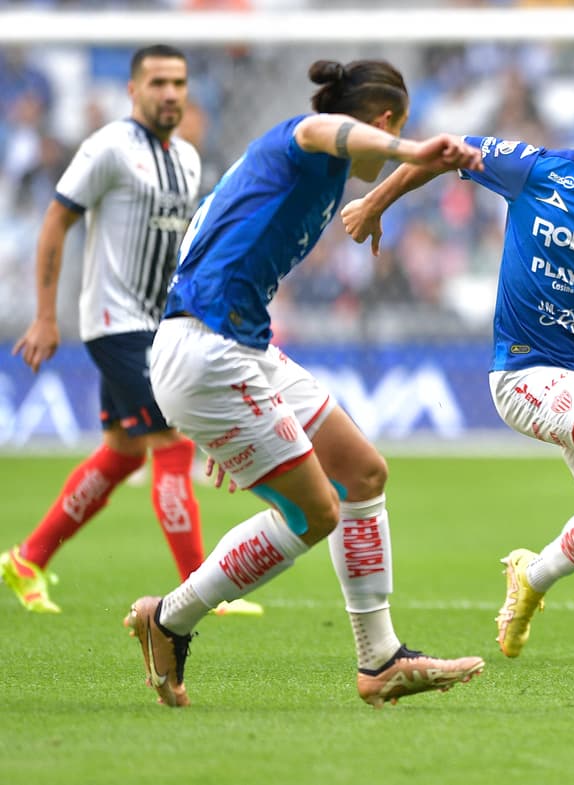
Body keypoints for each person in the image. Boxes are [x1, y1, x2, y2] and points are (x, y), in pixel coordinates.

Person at [122, 58, 486, 708]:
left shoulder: (310, 174)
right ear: (383, 121)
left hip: (237, 347)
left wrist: (414, 171)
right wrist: (405, 146)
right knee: (315, 512)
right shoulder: (305, 137)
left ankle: (381, 659)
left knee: (362, 471)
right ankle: (169, 617)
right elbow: (330, 134)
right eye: (395, 129)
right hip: (208, 351)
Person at [342, 73, 574, 658]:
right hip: (521, 371)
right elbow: (445, 151)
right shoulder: (537, 170)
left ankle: (530, 578)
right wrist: (374, 201)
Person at [3, 44, 260, 618]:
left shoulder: (187, 160)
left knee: (121, 453)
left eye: (178, 82)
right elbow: (56, 219)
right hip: (115, 325)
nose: (170, 93)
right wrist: (46, 315)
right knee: (170, 442)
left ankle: (28, 559)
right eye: (158, 82)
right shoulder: (108, 148)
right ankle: (199, 586)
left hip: (160, 326)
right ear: (133, 90)